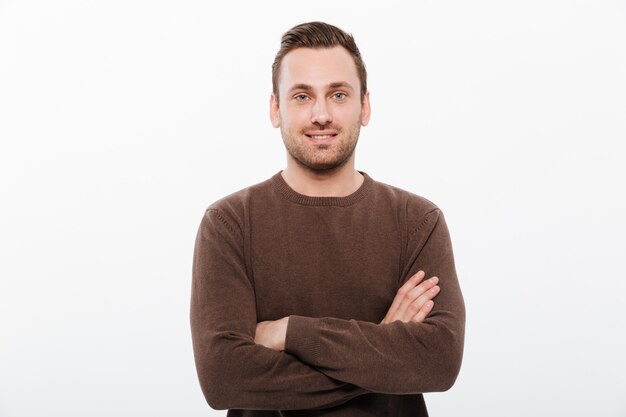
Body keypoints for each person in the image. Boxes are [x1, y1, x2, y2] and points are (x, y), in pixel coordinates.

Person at [190, 21, 465, 416]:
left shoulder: (417, 221)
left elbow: (437, 362)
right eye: (302, 96)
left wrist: (289, 332)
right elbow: (224, 379)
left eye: (338, 94)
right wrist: (383, 346)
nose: (321, 114)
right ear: (275, 109)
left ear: (364, 106)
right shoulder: (230, 223)